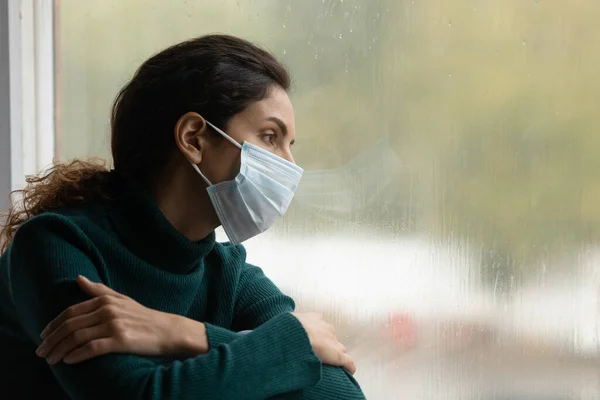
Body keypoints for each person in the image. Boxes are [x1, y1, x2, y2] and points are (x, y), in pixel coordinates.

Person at [0, 34, 365, 400]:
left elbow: (342, 393)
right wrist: (284, 344)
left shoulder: (228, 274)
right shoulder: (56, 245)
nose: (289, 164)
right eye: (270, 137)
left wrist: (177, 333)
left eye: (289, 145)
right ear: (193, 138)